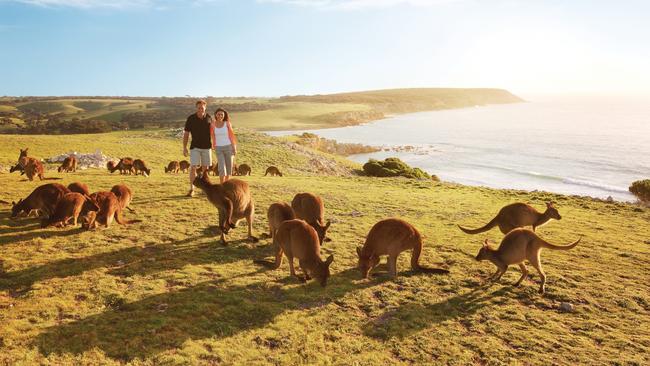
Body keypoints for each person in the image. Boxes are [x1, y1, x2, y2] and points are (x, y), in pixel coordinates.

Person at [183, 100, 215, 197]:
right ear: (196, 108)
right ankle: (192, 189)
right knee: (193, 167)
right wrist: (184, 147)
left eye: (202, 108)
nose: (201, 109)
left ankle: (204, 190)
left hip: (207, 147)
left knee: (205, 170)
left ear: (205, 108)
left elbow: (213, 132)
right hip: (195, 147)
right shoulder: (191, 118)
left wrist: (214, 143)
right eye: (199, 108)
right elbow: (186, 134)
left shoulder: (209, 118)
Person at [212, 107, 238, 184]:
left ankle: (227, 185)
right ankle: (222, 185)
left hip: (229, 147)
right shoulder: (212, 124)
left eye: (222, 115)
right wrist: (213, 145)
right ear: (216, 115)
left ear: (224, 115)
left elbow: (232, 136)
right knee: (221, 167)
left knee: (229, 167)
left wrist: (234, 148)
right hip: (218, 148)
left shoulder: (227, 123)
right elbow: (212, 135)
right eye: (218, 114)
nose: (220, 116)